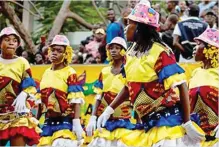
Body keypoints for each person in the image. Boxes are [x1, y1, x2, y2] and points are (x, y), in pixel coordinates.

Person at [97, 2, 205, 147]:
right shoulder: (129, 53)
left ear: (140, 28)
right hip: (146, 123)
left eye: (129, 24)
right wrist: (109, 110)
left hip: (166, 125)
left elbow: (181, 85)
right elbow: (128, 86)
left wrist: (187, 122)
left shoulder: (160, 52)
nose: (125, 28)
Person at [37, 35, 85, 146]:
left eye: (59, 51)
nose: (54, 53)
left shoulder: (70, 72)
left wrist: (76, 122)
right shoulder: (46, 73)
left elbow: (76, 100)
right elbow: (40, 102)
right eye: (52, 50)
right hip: (48, 123)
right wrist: (36, 121)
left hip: (65, 122)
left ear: (66, 54)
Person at [86, 37, 134, 147]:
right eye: (111, 48)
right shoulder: (104, 71)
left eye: (117, 48)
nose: (113, 50)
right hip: (105, 122)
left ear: (123, 51)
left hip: (124, 121)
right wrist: (93, 117)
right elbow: (99, 96)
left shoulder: (129, 71)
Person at [0, 27, 40, 146]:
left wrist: (24, 93)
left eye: (14, 40)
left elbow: (30, 85)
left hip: (17, 113)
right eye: (7, 39)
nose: (11, 42)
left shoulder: (22, 62)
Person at [190, 28, 219, 147]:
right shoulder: (195, 73)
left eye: (199, 44)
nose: (194, 47)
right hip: (195, 139)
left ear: (210, 49)